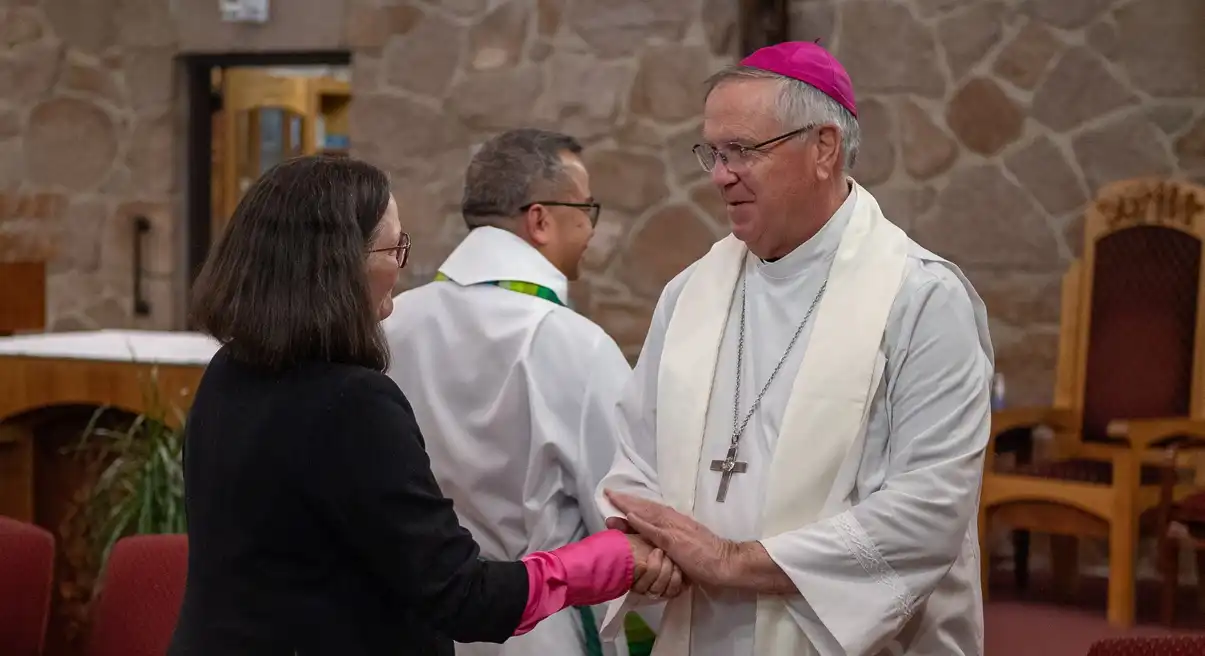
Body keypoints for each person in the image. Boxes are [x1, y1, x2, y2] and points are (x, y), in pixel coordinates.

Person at [167, 155, 682, 656]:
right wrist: (609, 557)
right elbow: (460, 594)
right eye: (394, 248)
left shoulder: (228, 372)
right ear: (341, 265)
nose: (402, 266)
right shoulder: (352, 403)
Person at [593, 41, 995, 656]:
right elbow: (635, 456)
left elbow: (931, 506)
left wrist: (734, 561)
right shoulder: (690, 293)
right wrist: (646, 541)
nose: (720, 174)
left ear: (824, 148)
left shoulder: (920, 297)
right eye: (713, 153)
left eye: (742, 150)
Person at [383, 128, 664, 656]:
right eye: (586, 208)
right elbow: (623, 512)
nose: (590, 228)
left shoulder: (391, 326)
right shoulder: (573, 343)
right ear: (540, 220)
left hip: (419, 621)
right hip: (535, 624)